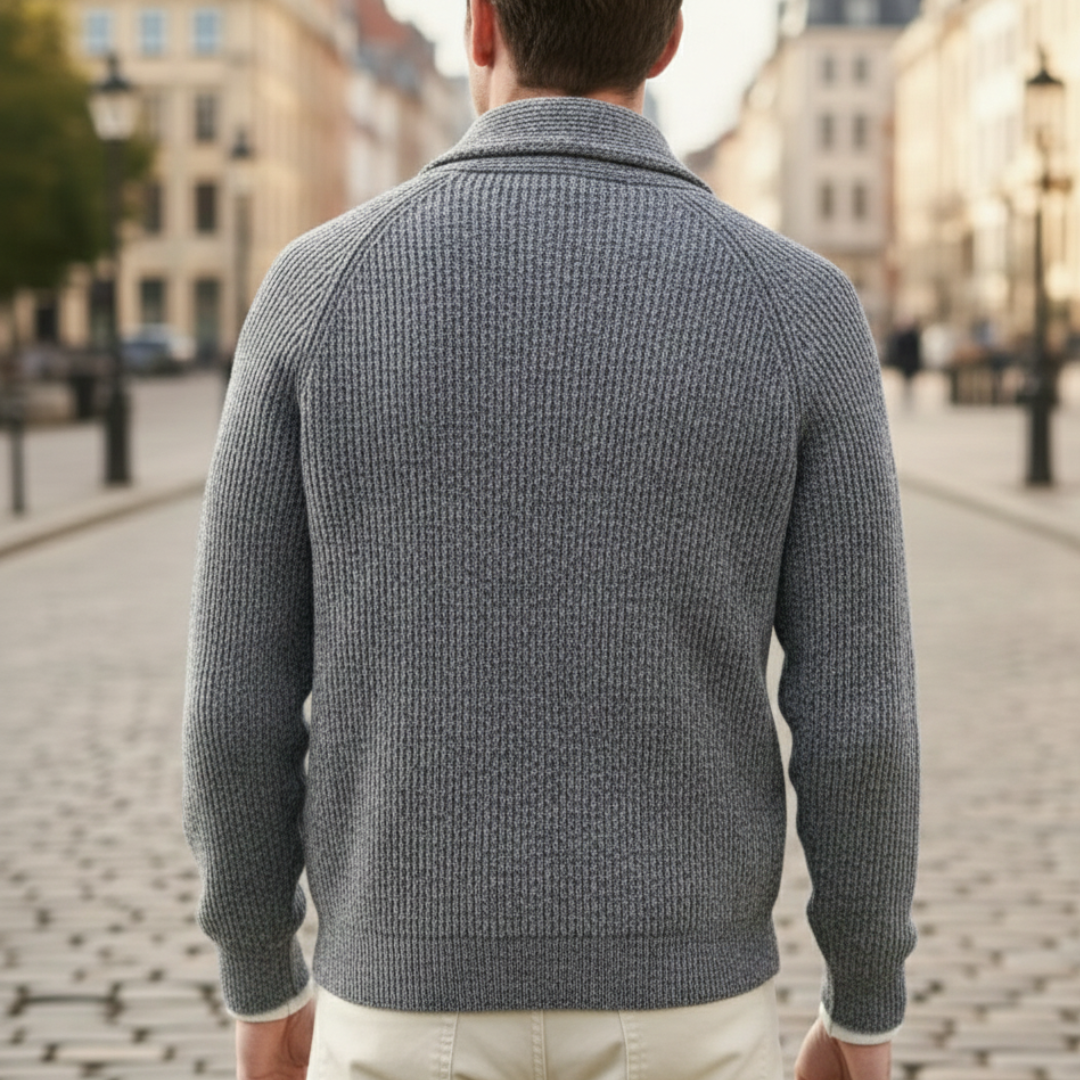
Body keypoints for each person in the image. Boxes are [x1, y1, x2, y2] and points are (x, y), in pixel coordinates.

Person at [181, 1, 920, 1078]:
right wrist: (863, 1004)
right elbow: (859, 721)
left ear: (481, 25)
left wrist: (260, 979)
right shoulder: (802, 310)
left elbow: (235, 703)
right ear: (669, 42)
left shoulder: (314, 291)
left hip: (399, 1000)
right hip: (689, 1008)